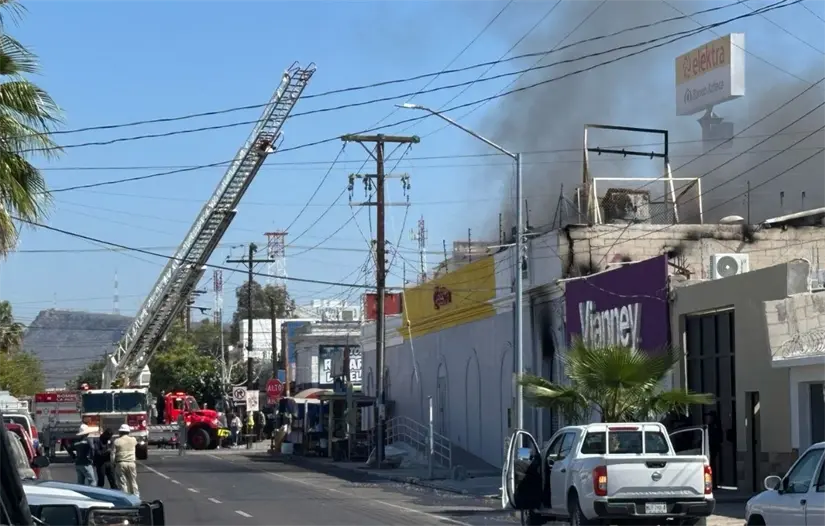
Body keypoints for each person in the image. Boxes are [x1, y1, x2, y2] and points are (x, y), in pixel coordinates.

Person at [112, 424, 139, 497]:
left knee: (122, 482)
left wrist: (113, 463)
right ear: (128, 432)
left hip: (121, 463)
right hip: (131, 463)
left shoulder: (117, 441)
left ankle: (125, 497)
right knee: (133, 481)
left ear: (120, 432)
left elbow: (113, 454)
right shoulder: (133, 440)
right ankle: (136, 496)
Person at [704, 411, 723, 489]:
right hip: (709, 448)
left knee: (711, 467)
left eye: (709, 417)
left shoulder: (714, 427)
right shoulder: (708, 426)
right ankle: (711, 483)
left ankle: (713, 484)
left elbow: (719, 438)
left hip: (712, 448)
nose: (707, 418)